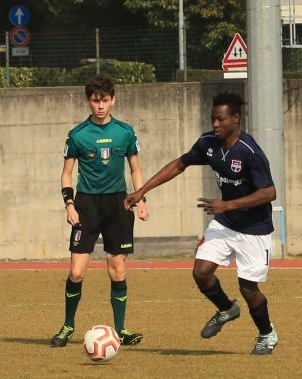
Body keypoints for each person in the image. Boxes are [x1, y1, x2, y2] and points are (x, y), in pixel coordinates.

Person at [124, 92, 279, 355]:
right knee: (201, 272)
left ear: (235, 119)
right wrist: (142, 191)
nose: (215, 124)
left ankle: (267, 334)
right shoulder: (208, 143)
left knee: (248, 288)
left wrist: (226, 204)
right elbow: (179, 165)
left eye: (221, 119)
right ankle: (226, 308)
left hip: (255, 230)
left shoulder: (250, 152)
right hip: (225, 223)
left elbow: (269, 193)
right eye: (212, 119)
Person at [51, 74, 149, 347]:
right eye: (95, 101)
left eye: (105, 100)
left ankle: (120, 330)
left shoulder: (125, 132)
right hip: (87, 205)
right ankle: (68, 325)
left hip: (119, 204)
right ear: (88, 102)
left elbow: (136, 168)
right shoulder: (77, 136)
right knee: (77, 272)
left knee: (117, 271)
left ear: (113, 100)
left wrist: (141, 199)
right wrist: (69, 205)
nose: (101, 106)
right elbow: (66, 174)